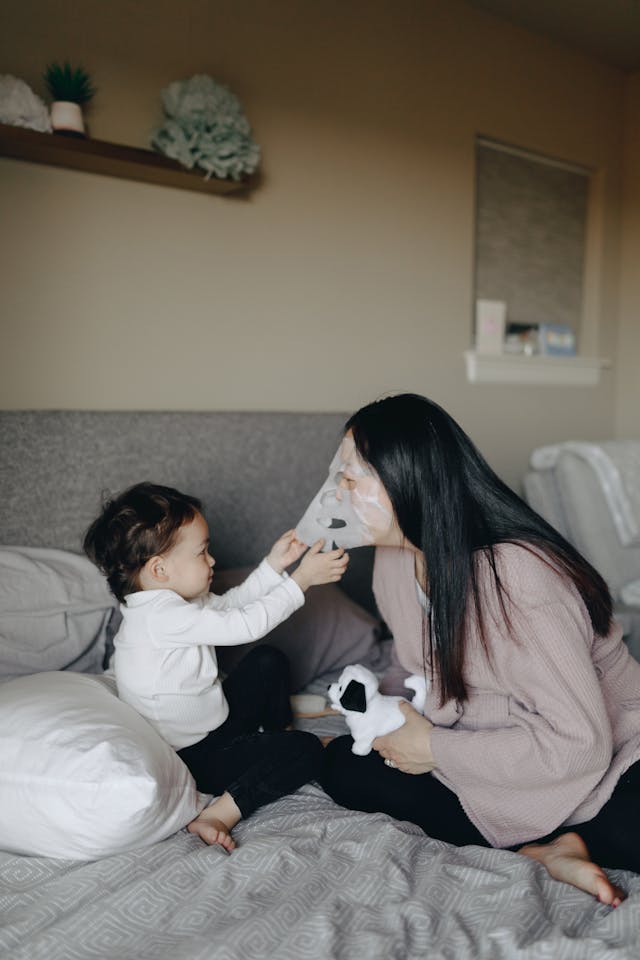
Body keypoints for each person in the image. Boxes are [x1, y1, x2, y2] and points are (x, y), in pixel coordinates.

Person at [320, 393, 640, 906]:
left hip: (612, 757)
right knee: (343, 765)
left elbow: (579, 744)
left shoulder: (516, 575)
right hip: (495, 756)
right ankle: (550, 845)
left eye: (351, 477)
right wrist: (379, 714)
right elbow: (421, 669)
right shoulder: (393, 564)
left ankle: (564, 840)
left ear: (408, 480)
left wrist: (433, 749)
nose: (337, 492)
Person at [84, 481, 348, 852]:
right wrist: (301, 580)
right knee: (306, 751)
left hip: (215, 723)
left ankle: (273, 735)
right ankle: (219, 812)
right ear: (159, 570)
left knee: (268, 659)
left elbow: (233, 606)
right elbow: (246, 624)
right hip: (194, 758)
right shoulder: (160, 618)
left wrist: (275, 566)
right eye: (202, 552)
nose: (212, 560)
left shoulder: (165, 604)